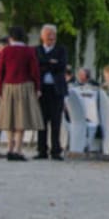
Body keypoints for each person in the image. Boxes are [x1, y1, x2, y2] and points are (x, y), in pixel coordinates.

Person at [0, 26, 43, 161]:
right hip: (24, 86)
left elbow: (0, 71)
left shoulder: (6, 51)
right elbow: (35, 71)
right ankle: (18, 149)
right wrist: (37, 87)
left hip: (8, 86)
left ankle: (9, 148)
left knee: (9, 118)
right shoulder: (29, 51)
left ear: (11, 38)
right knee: (21, 119)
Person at [36, 24, 69, 160]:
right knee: (41, 120)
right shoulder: (36, 50)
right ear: (42, 36)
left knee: (56, 121)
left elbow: (62, 65)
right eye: (48, 34)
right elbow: (37, 65)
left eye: (53, 35)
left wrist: (46, 63)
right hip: (42, 89)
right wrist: (50, 63)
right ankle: (41, 150)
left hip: (56, 89)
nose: (51, 37)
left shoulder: (61, 49)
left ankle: (56, 150)